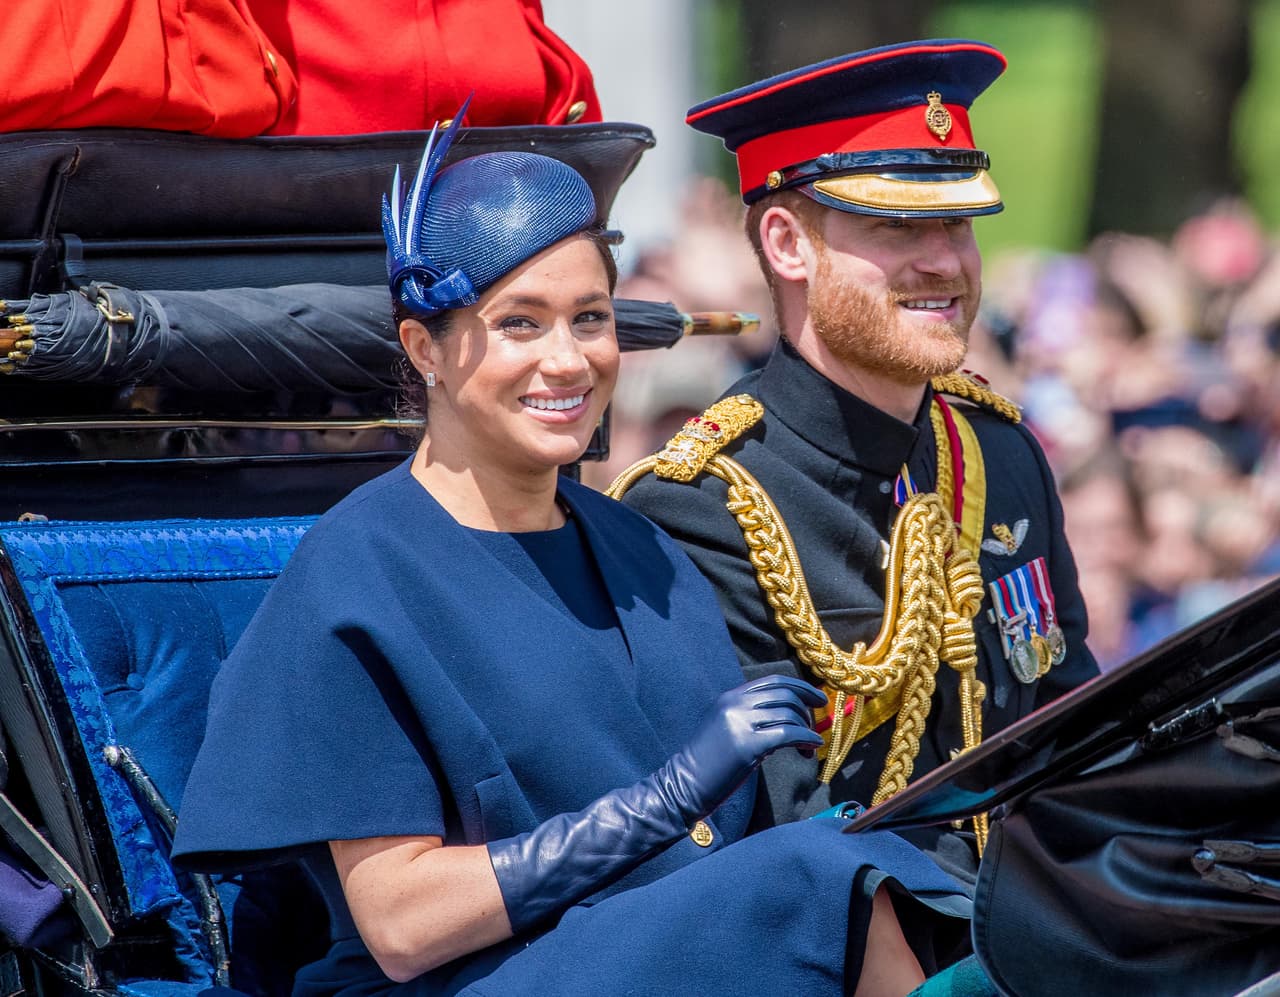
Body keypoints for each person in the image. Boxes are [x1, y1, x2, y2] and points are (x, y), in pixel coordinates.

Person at [171, 112, 978, 996]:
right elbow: (401, 923)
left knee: (917, 885)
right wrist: (662, 801)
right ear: (424, 349)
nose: (569, 360)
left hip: (652, 954)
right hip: (454, 981)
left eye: (589, 319)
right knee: (819, 883)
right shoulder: (357, 571)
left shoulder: (644, 546)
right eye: (520, 323)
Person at [615, 40, 1100, 873]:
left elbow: (1074, 739)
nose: (944, 260)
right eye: (897, 225)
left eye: (958, 222)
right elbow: (784, 842)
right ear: (787, 244)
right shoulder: (702, 505)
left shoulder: (1000, 453)